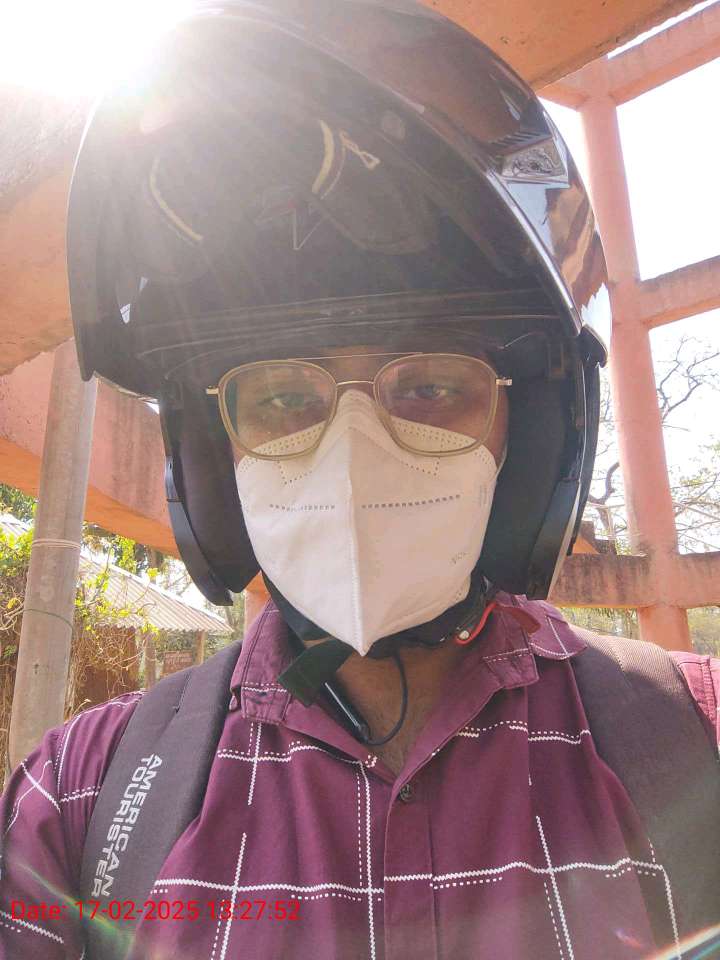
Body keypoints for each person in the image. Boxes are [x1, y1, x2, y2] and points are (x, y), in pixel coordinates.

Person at [1, 2, 718, 958]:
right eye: (282, 399)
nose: (351, 452)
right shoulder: (78, 798)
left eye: (430, 388)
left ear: (529, 435)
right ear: (214, 455)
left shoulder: (698, 739)